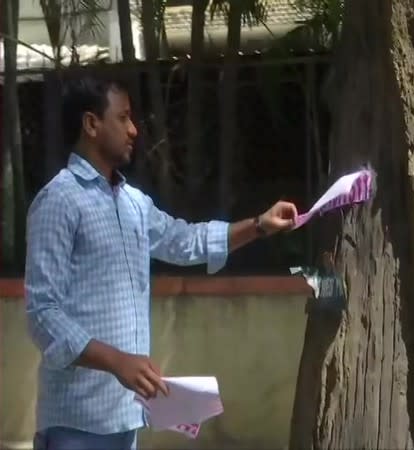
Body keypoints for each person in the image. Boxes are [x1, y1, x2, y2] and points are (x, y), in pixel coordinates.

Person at [24, 75, 298, 450]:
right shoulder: (59, 201)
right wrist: (117, 361)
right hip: (77, 424)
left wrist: (259, 226)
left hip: (126, 419)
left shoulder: (133, 203)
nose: (134, 130)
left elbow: (184, 241)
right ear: (91, 124)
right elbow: (42, 313)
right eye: (123, 118)